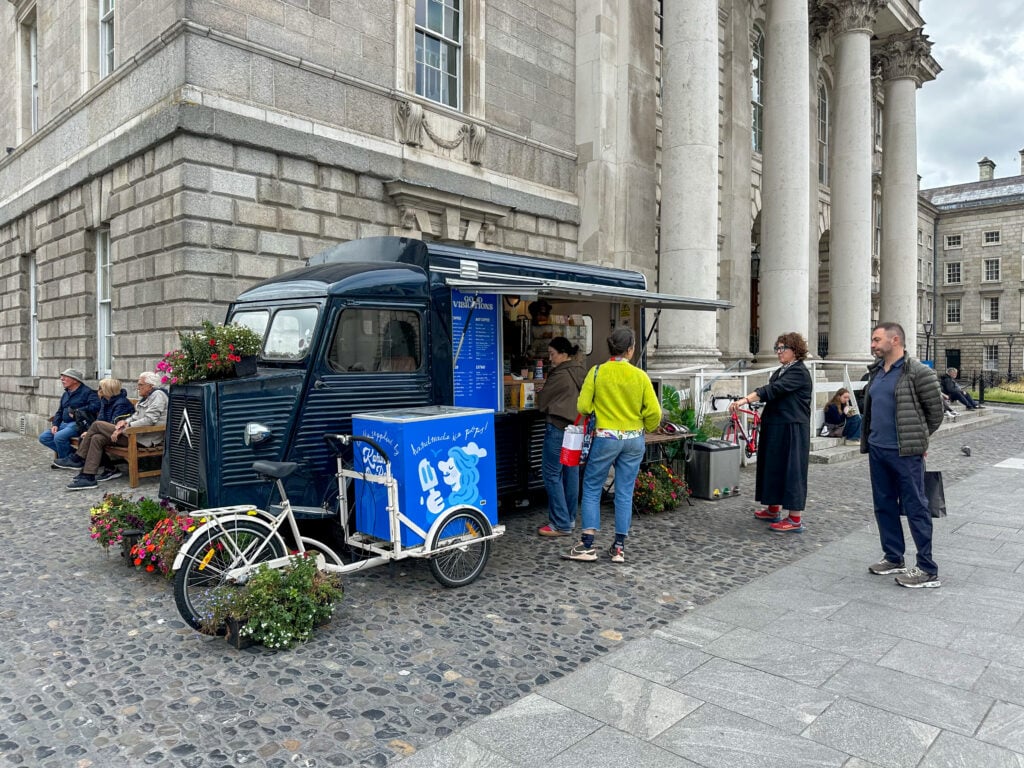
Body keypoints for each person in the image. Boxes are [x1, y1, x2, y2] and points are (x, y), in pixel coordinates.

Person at [563, 327, 660, 564]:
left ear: (610, 348)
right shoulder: (640, 376)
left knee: (593, 487)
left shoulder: (596, 373)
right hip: (634, 440)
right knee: (624, 492)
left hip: (606, 438)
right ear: (631, 349)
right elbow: (655, 413)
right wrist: (642, 427)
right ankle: (618, 548)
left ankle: (587, 544)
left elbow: (583, 407)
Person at [862, 322, 944, 588]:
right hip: (877, 450)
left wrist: (918, 440)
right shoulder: (876, 372)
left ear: (894, 340)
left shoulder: (919, 372)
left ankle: (926, 568)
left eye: (877, 340)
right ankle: (893, 557)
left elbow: (935, 413)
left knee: (916, 506)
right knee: (883, 505)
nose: (873, 345)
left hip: (906, 452)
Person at [730, 332, 812, 533]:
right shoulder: (782, 369)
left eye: (783, 348)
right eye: (777, 348)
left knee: (792, 470)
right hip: (776, 425)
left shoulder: (799, 372)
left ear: (795, 350)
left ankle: (794, 519)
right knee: (772, 466)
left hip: (792, 427)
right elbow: (771, 387)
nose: (779, 352)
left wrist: (744, 400)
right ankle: (773, 508)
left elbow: (773, 389)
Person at [66, 372, 169, 491]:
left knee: (97, 425)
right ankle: (88, 476)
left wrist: (125, 427)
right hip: (134, 434)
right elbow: (136, 416)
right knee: (97, 438)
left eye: (140, 384)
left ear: (150, 386)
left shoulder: (158, 395)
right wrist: (125, 422)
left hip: (143, 438)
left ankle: (78, 457)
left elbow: (149, 420)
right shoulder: (148, 396)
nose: (137, 387)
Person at [535, 336, 586, 537]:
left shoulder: (559, 374)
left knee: (551, 474)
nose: (550, 358)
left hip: (557, 427)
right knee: (571, 473)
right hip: (576, 428)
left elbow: (543, 401)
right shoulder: (582, 371)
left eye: (552, 354)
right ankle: (570, 519)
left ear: (563, 354)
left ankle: (560, 523)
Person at [55, 378, 136, 475]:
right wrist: (89, 432)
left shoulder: (121, 403)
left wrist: (91, 431)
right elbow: (101, 418)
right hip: (110, 432)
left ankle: (79, 458)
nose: (98, 390)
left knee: (92, 433)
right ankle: (95, 472)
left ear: (107, 390)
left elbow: (114, 423)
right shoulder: (105, 400)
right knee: (91, 437)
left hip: (122, 434)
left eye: (100, 388)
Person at [39, 369, 100, 467]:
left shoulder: (87, 392)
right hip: (64, 424)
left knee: (59, 436)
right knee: (44, 437)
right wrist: (55, 424)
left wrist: (77, 411)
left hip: (79, 424)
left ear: (75, 380)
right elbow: (59, 411)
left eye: (65, 377)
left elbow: (96, 406)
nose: (61, 379)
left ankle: (65, 461)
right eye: (61, 376)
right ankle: (73, 457)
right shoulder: (66, 393)